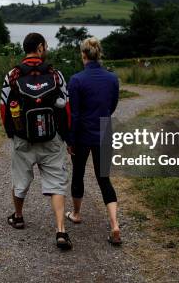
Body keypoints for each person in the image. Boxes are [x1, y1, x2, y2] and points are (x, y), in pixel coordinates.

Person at [0, 33, 73, 249]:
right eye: (46, 46)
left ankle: (19, 216)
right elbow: (66, 108)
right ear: (40, 47)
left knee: (20, 179)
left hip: (23, 139)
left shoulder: (12, 75)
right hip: (51, 138)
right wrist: (66, 137)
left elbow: (4, 109)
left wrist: (12, 134)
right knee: (57, 183)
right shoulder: (56, 75)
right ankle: (61, 230)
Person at [65, 37, 122, 245]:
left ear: (83, 55)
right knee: (104, 178)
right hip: (104, 131)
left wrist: (70, 139)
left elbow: (75, 114)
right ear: (99, 54)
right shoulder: (112, 79)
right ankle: (115, 224)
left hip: (82, 134)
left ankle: (77, 214)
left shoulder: (76, 80)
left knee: (78, 173)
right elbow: (112, 105)